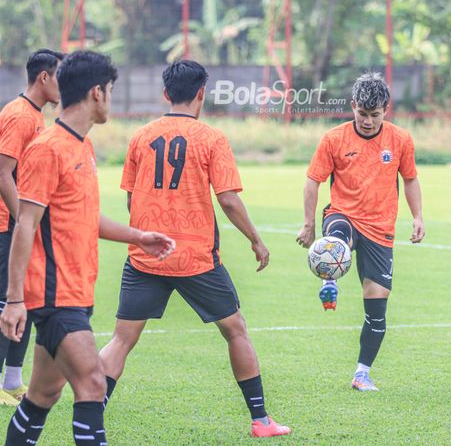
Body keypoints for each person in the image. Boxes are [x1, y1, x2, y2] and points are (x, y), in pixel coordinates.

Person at [98, 60, 290, 438]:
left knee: (122, 339)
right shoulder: (212, 139)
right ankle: (261, 420)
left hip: (146, 256)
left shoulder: (140, 137)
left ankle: (90, 413)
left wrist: (143, 237)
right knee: (235, 330)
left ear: (166, 93)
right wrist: (255, 239)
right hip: (195, 258)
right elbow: (229, 201)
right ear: (202, 93)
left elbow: (131, 199)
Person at [0, 51, 175, 446]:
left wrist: (138, 236)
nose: (110, 98)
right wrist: (13, 301)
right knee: (93, 383)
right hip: (53, 295)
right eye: (110, 90)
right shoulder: (49, 148)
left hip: (76, 292)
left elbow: (83, 217)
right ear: (97, 92)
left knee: (42, 395)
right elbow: (25, 222)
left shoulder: (84, 147)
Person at [296, 71, 425, 392]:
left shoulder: (400, 140)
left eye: (375, 115)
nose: (368, 121)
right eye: (362, 114)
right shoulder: (334, 139)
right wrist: (309, 224)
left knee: (377, 308)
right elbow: (312, 180)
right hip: (343, 216)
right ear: (352, 106)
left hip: (381, 229)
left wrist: (418, 216)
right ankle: (330, 277)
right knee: (336, 240)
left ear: (387, 109)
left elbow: (410, 179)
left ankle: (362, 373)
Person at [0, 49, 64, 406]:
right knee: (7, 301)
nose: (63, 86)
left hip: (17, 224)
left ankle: (12, 380)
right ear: (44, 77)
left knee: (22, 299)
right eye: (60, 77)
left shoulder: (34, 116)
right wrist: (24, 220)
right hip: (6, 225)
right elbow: (2, 171)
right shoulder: (20, 115)